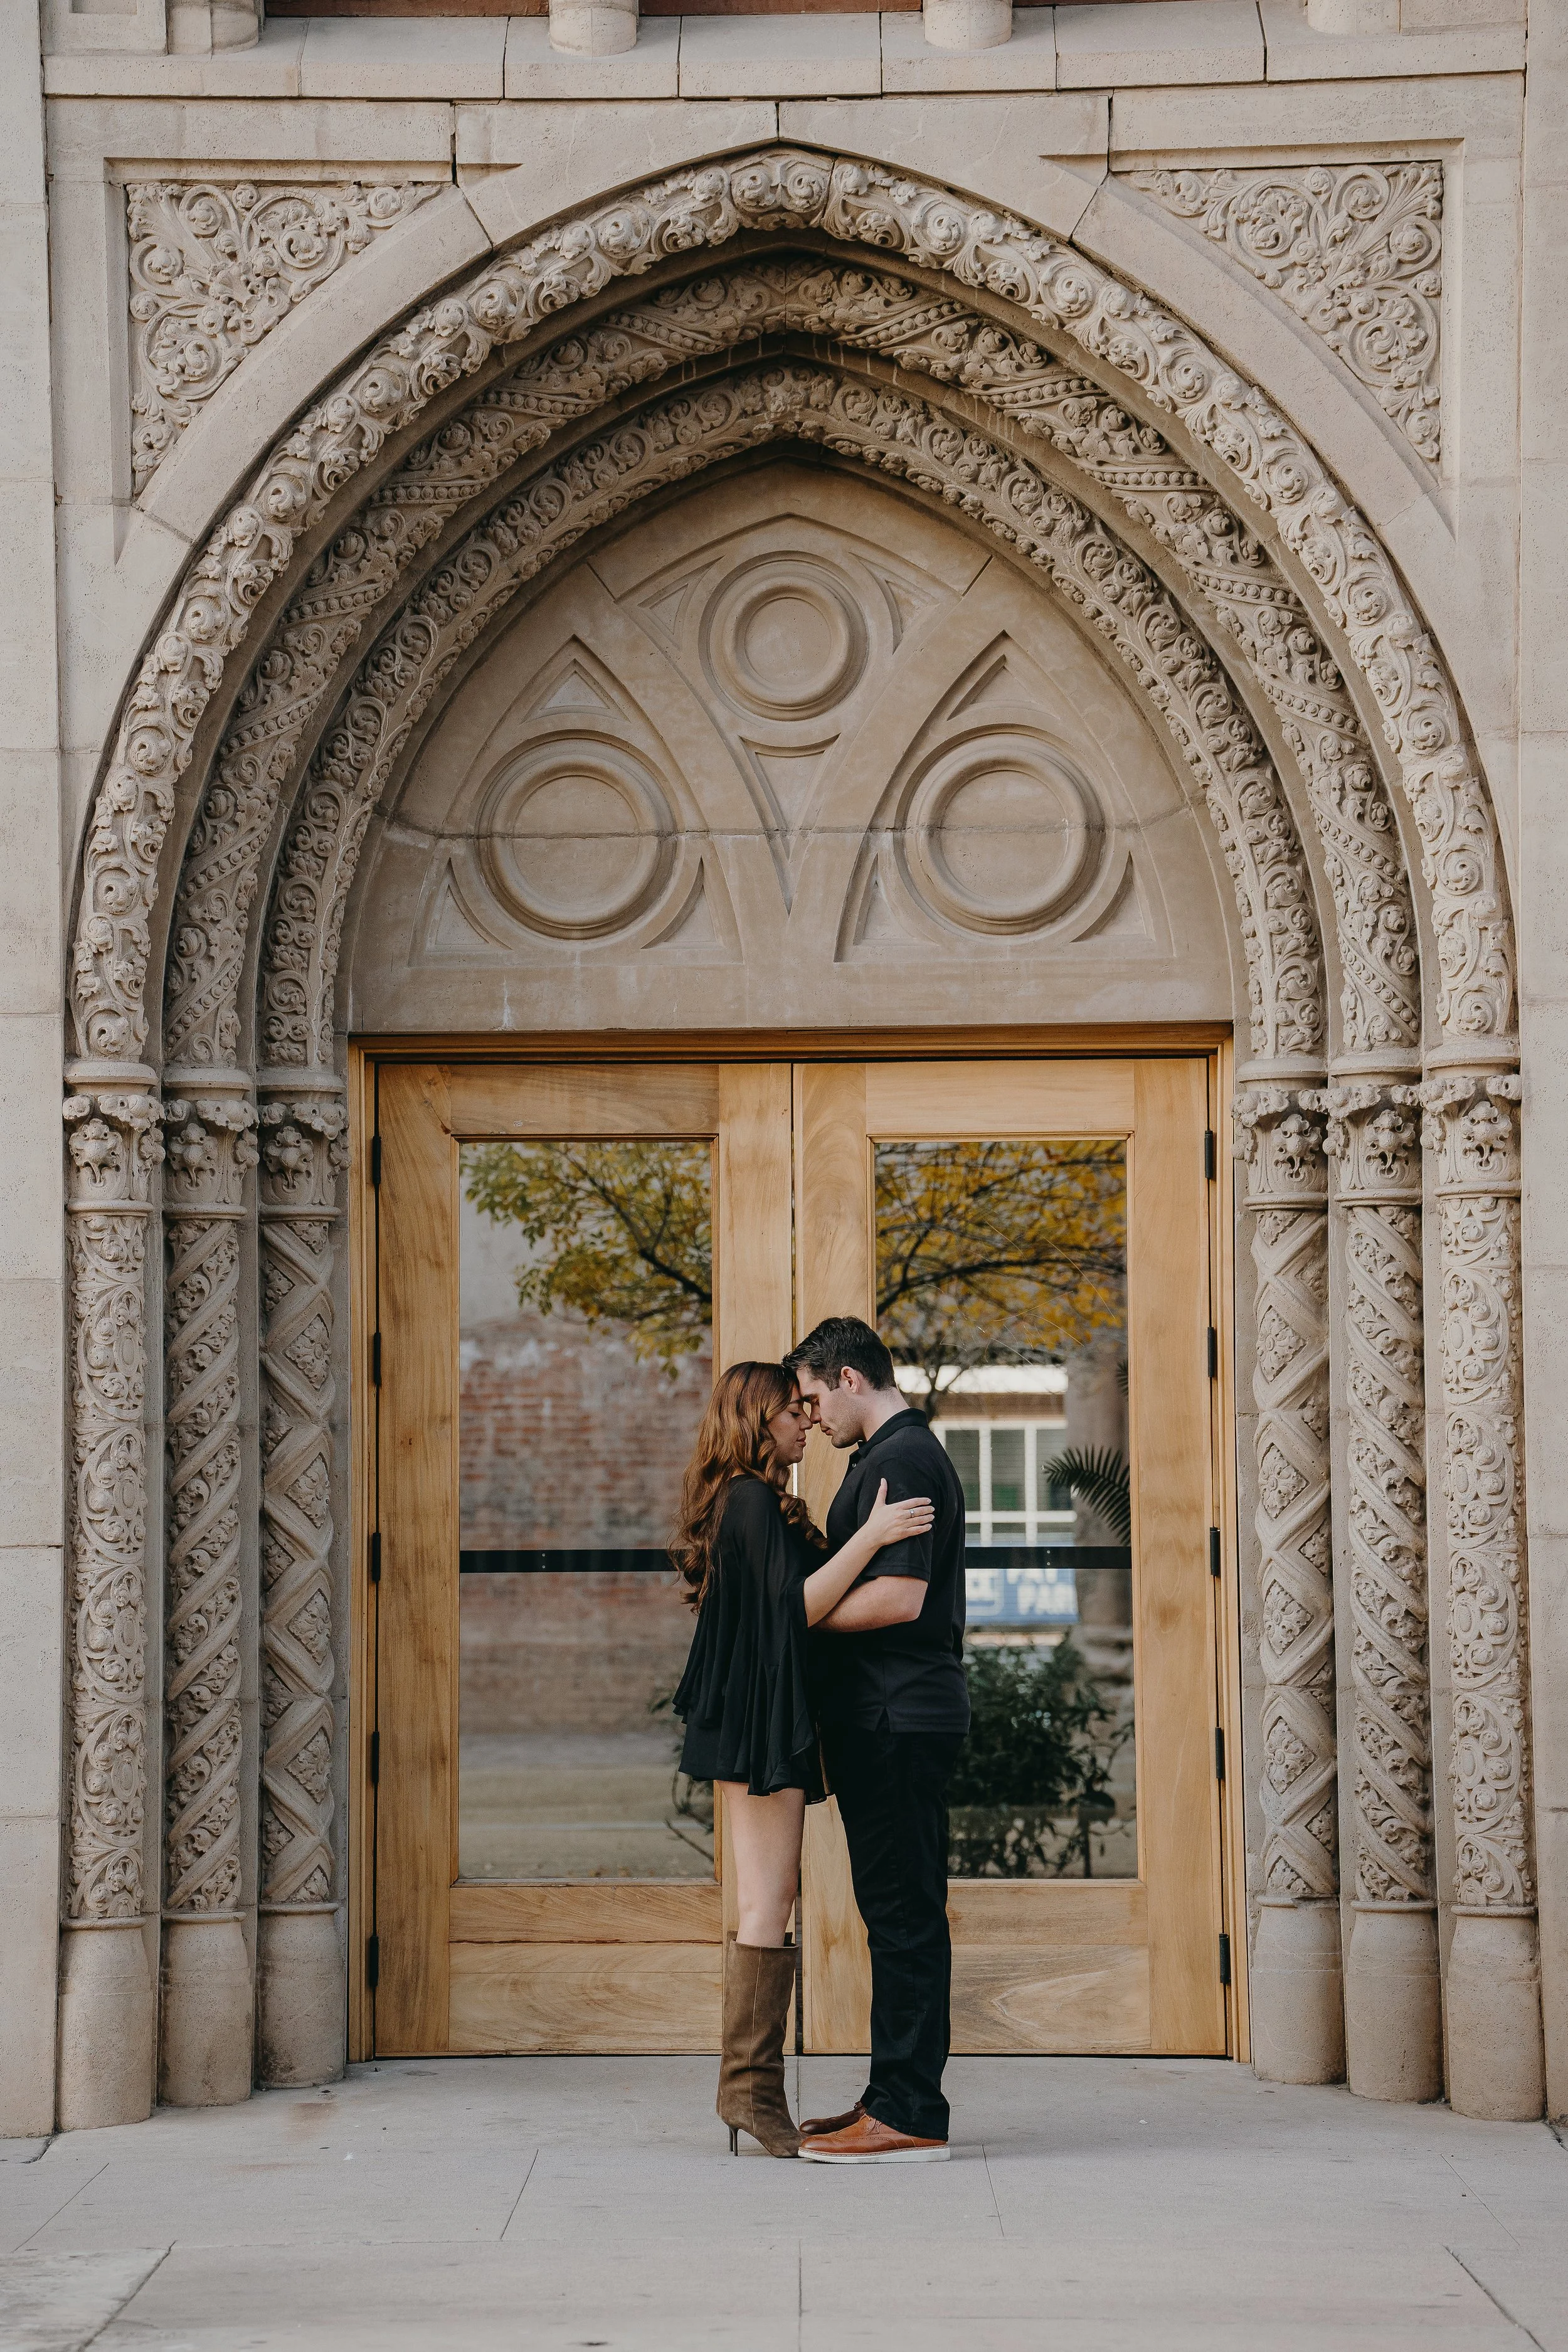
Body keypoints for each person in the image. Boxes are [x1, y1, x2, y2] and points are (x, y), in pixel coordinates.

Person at [671, 1360, 935, 2158]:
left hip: (757, 1717)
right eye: (791, 1411)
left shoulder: (746, 1499)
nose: (804, 1423)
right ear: (756, 1421)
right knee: (766, 1904)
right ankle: (749, 2092)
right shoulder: (747, 1499)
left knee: (769, 1900)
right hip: (756, 1721)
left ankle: (749, 2093)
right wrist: (875, 1536)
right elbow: (798, 1609)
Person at [783, 1316, 970, 2166]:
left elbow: (900, 1599)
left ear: (851, 1379)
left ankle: (909, 2110)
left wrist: (799, 1620)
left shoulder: (900, 1458)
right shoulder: (882, 1457)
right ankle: (890, 2093)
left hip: (899, 1718)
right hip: (888, 1717)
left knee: (902, 1916)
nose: (811, 1417)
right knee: (895, 1912)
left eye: (816, 1397)